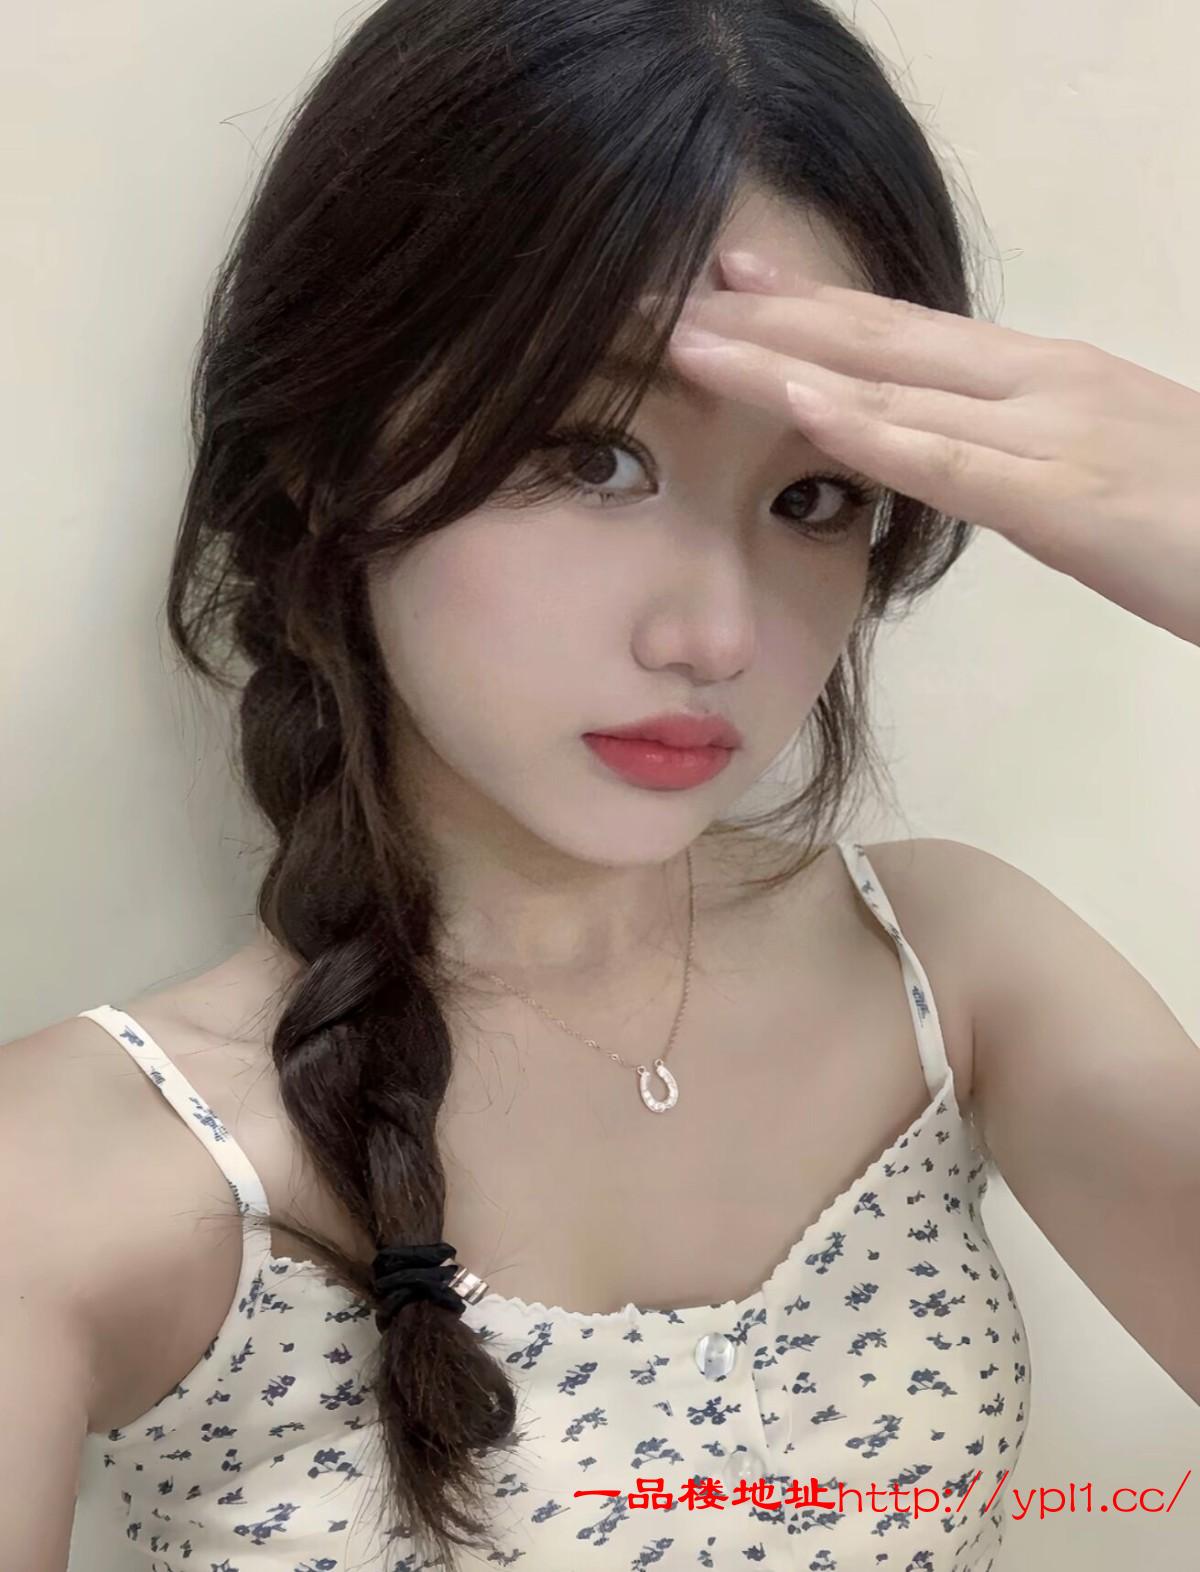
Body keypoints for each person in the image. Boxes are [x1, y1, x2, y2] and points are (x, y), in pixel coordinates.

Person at [3, 1, 1197, 1569]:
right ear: (330, 450)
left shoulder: (955, 973)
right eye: (590, 457)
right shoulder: (72, 1181)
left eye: (815, 494)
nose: (715, 634)